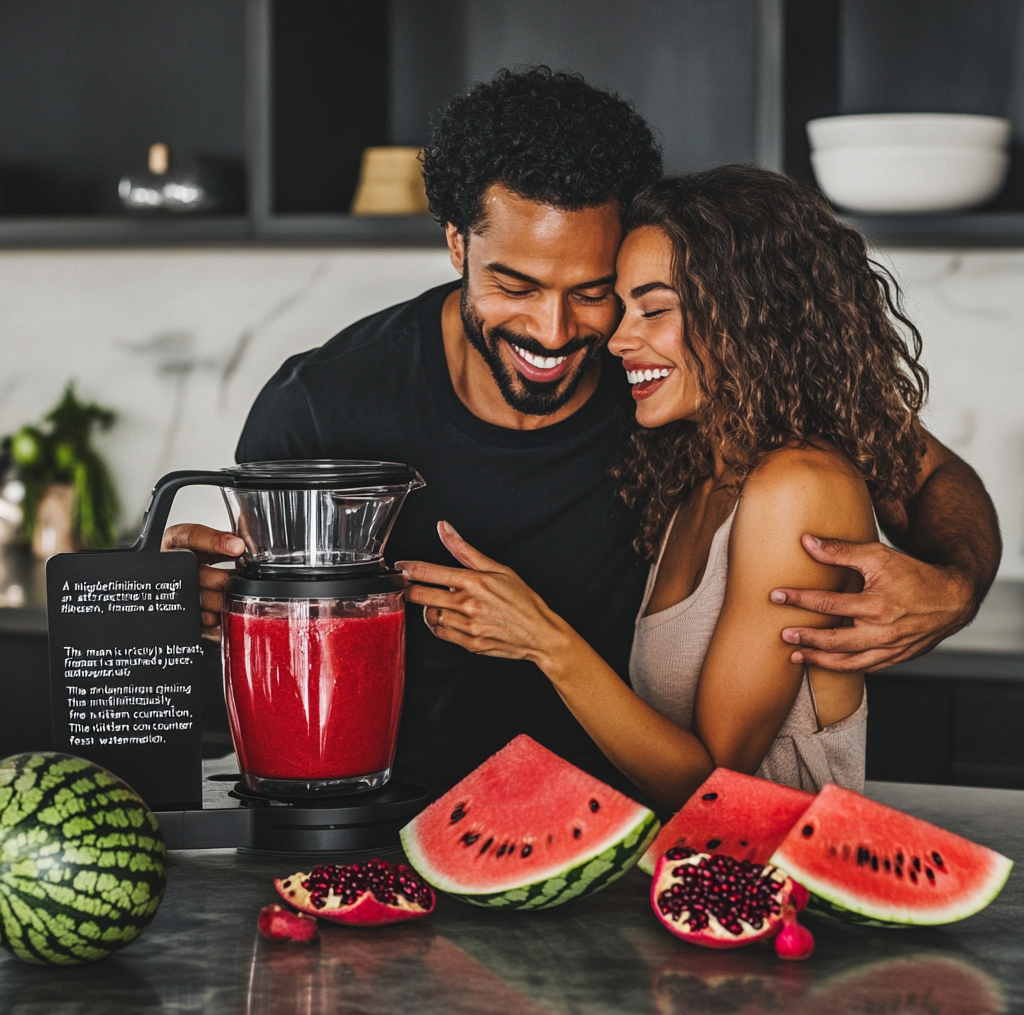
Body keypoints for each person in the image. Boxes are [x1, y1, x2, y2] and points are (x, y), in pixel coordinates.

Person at [163, 68, 1001, 802]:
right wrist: (204, 598)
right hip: (395, 819)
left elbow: (919, 470)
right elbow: (270, 631)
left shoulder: (681, 391)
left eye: (598, 291)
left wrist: (958, 581)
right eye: (515, 284)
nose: (556, 330)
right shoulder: (323, 403)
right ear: (456, 241)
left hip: (627, 839)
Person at [400, 166, 955, 808]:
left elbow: (714, 781)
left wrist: (543, 641)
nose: (618, 339)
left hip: (774, 882)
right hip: (686, 878)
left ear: (752, 316)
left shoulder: (798, 486)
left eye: (655, 310)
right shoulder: (700, 472)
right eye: (624, 305)